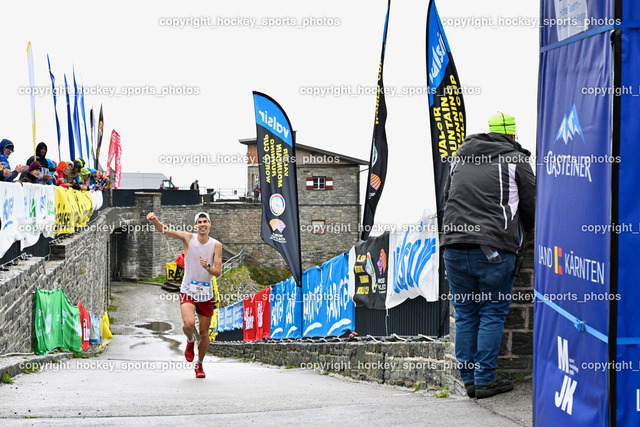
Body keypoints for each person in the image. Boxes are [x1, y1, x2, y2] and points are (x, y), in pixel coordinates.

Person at [441, 112, 535, 399]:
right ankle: (484, 380)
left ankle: (469, 380)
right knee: (492, 313)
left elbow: (446, 199)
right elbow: (534, 206)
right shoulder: (516, 160)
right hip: (493, 248)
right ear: (512, 135)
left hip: (453, 246)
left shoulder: (459, 159)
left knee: (466, 314)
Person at [146, 211, 222, 378]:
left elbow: (218, 272)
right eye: (199, 222)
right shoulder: (188, 238)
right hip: (188, 290)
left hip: (206, 294)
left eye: (205, 221)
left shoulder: (216, 245)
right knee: (188, 324)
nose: (202, 224)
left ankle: (199, 364)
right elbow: (165, 231)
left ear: (210, 224)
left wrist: (207, 267)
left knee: (204, 333)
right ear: (196, 225)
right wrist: (155, 220)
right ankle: (190, 340)